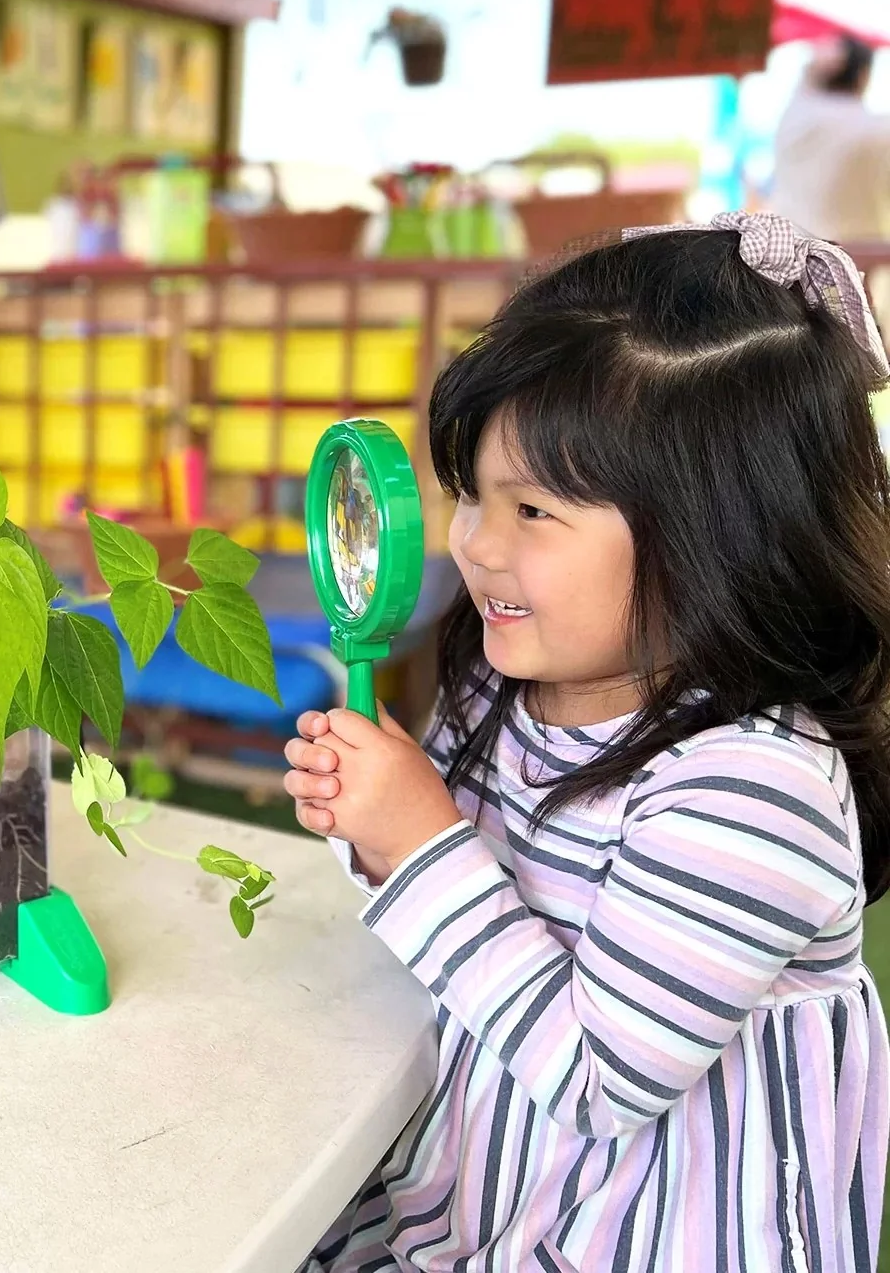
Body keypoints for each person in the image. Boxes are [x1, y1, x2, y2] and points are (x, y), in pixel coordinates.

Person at [288, 212, 890, 1269]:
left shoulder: (756, 787)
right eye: (471, 494)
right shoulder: (506, 681)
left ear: (718, 534)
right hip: (499, 1186)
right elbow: (453, 903)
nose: (474, 543)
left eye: (531, 510)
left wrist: (417, 839)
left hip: (657, 1234)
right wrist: (372, 819)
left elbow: (600, 1079)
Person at [770, 34, 890, 242]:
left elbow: (806, 82)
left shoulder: (793, 120)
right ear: (864, 76)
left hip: (791, 252)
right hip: (864, 257)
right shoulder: (878, 130)